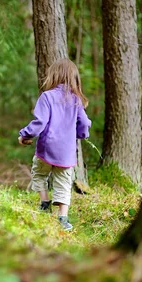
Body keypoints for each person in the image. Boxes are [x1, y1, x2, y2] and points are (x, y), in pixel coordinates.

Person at [17, 58, 91, 231]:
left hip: (46, 150)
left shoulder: (47, 97)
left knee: (39, 174)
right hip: (66, 153)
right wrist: (81, 134)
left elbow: (39, 122)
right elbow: (85, 123)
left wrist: (24, 135)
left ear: (54, 76)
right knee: (64, 183)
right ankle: (63, 219)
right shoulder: (76, 100)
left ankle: (44, 203)